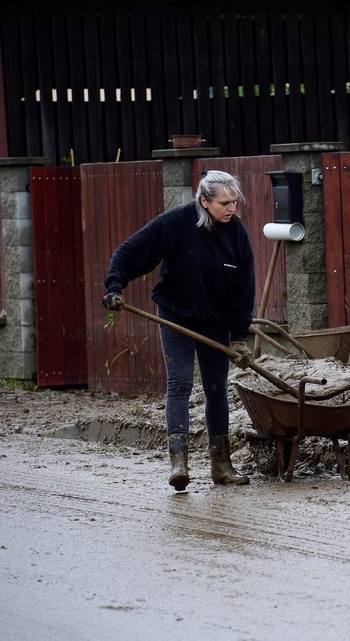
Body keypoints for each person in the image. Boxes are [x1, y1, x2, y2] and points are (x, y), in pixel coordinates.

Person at [102, 170, 255, 492]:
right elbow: (128, 253)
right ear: (204, 201)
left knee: (216, 388)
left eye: (234, 202)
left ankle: (221, 465)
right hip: (177, 316)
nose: (231, 208)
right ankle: (179, 462)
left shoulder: (236, 233)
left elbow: (244, 288)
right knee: (181, 382)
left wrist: (239, 336)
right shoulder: (176, 223)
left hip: (215, 320)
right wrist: (115, 286)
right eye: (224, 203)